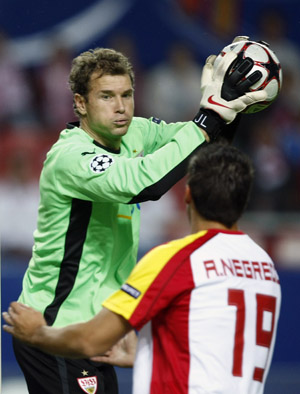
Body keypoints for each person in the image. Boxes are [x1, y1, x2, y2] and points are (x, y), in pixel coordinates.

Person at [6, 37, 267, 394]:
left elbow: (202, 147)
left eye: (126, 95)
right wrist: (208, 117)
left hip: (93, 332)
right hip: (54, 327)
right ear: (80, 103)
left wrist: (228, 109)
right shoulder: (69, 157)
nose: (121, 107)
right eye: (106, 96)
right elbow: (145, 183)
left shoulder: (136, 132)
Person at [3, 144, 281, 394]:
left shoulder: (176, 259)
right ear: (244, 200)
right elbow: (218, 352)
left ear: (187, 195)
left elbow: (89, 341)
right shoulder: (265, 266)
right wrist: (147, 356)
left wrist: (36, 333)